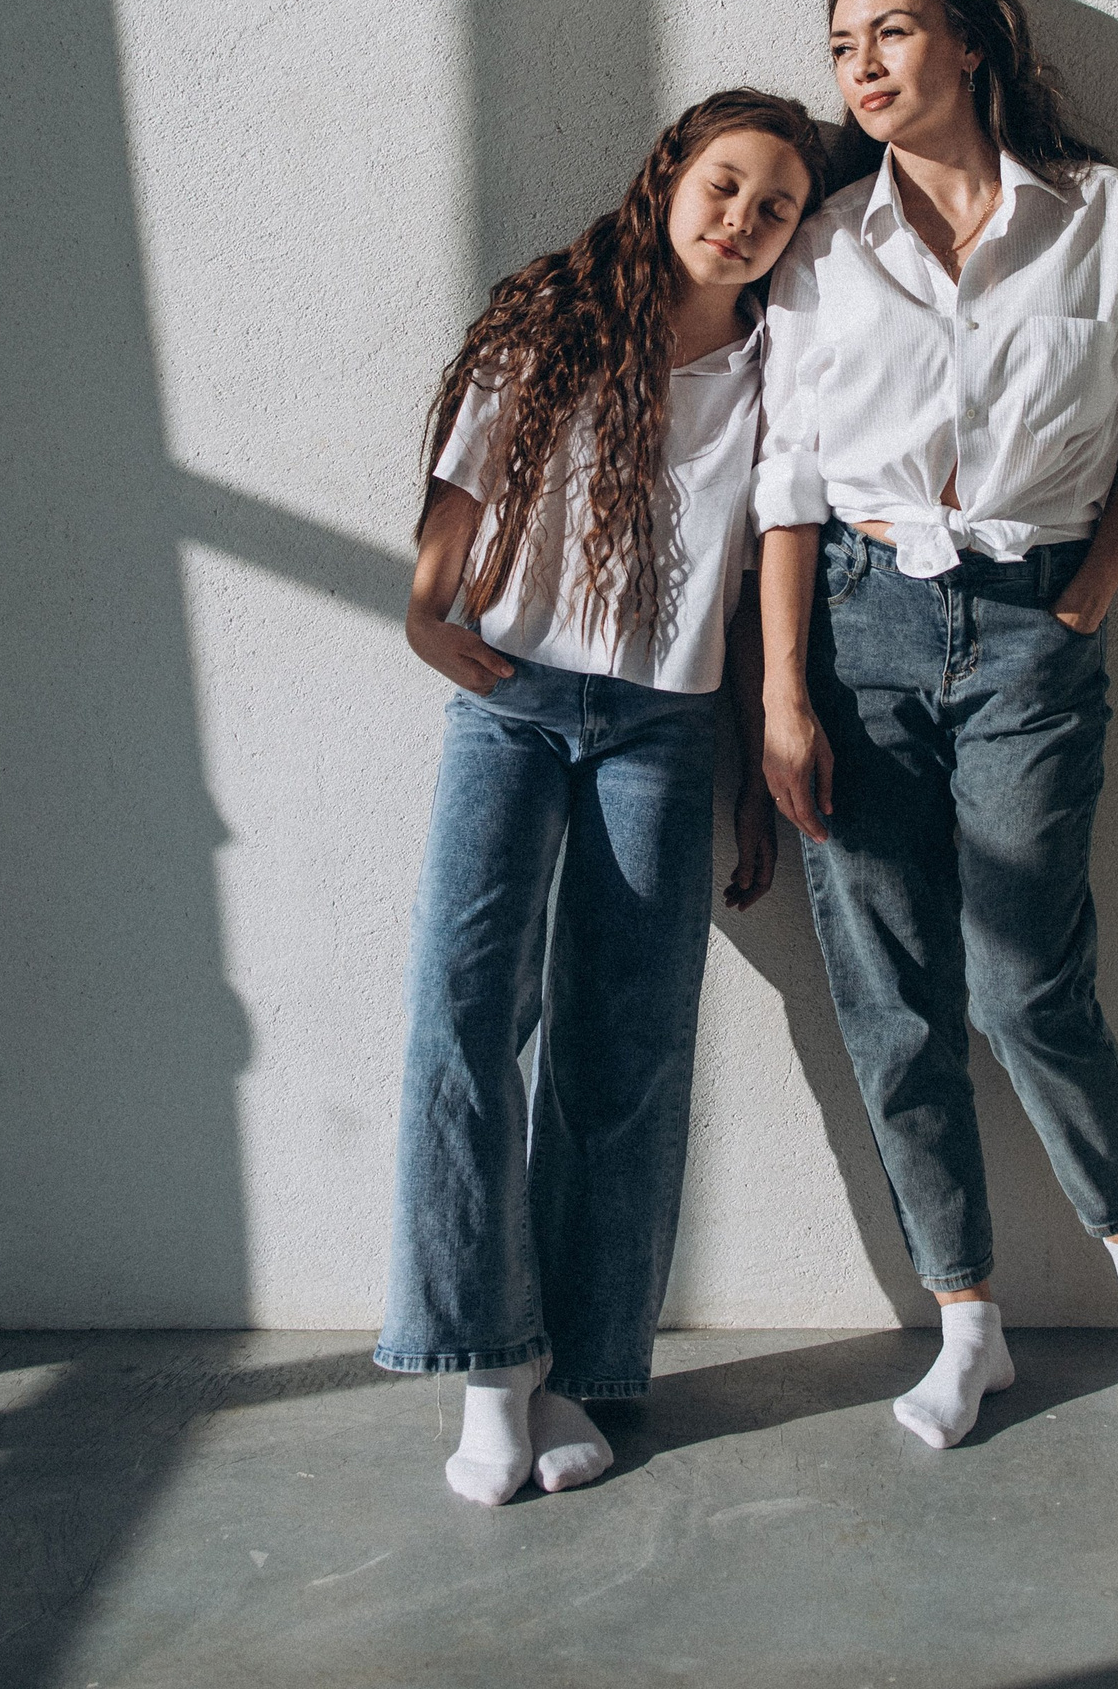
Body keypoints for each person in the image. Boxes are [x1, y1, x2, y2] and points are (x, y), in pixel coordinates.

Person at [753, 0, 1118, 1448]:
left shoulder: (1101, 214)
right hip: (860, 632)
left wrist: (1086, 599)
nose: (864, 68)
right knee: (891, 997)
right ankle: (968, 1323)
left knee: (1024, 982)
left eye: (892, 32)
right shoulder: (825, 243)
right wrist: (781, 694)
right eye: (843, 46)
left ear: (969, 41)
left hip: (1032, 625)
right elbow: (788, 482)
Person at [377, 89, 827, 1504]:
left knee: (623, 1051)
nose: (744, 220)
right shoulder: (556, 320)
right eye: (726, 184)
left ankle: (585, 1366)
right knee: (464, 1020)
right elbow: (461, 483)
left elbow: (760, 564)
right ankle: (491, 1365)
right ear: (669, 174)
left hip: (664, 726)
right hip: (511, 701)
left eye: (777, 207)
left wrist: (757, 751)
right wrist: (424, 609)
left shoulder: (777, 366)